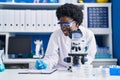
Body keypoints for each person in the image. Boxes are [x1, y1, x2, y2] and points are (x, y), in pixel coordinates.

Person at [35, 3, 97, 70]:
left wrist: (81, 62)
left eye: (66, 25)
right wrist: (46, 64)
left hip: (81, 70)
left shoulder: (88, 34)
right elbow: (52, 57)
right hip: (61, 71)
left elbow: (90, 55)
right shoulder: (56, 35)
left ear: (77, 23)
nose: (63, 29)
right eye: (61, 24)